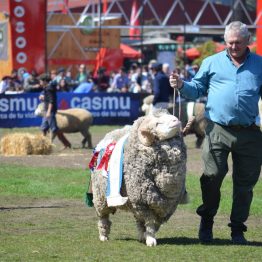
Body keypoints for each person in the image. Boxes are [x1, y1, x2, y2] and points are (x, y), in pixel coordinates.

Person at [169, 21, 262, 245]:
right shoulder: (211, 62)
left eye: (238, 42)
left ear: (248, 41)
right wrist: (181, 84)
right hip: (217, 129)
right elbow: (196, 89)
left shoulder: (260, 64)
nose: (233, 46)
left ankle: (237, 229)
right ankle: (207, 222)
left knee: (245, 184)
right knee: (211, 177)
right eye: (229, 42)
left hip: (249, 133)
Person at [38, 73, 71, 150]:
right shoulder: (46, 87)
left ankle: (66, 144)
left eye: (40, 81)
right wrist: (43, 97)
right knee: (44, 128)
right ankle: (43, 144)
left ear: (45, 81)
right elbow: (48, 98)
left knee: (54, 129)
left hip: (50, 111)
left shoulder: (49, 88)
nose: (39, 82)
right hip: (47, 111)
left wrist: (49, 111)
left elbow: (51, 101)